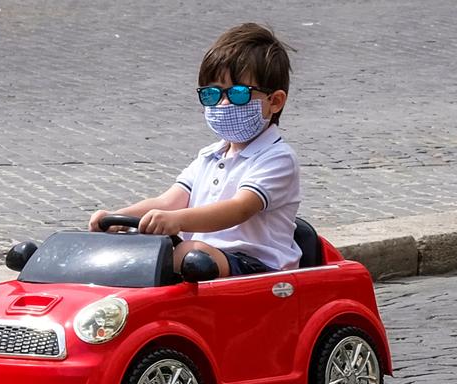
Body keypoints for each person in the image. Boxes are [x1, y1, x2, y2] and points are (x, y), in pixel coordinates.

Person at [89, 23, 301, 278]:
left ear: (274, 101)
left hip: (257, 267)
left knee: (184, 253)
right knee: (151, 249)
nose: (223, 103)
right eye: (213, 94)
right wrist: (117, 218)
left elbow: (241, 207)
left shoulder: (277, 158)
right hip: (201, 262)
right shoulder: (209, 156)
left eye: (237, 94)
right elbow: (167, 202)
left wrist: (177, 220)